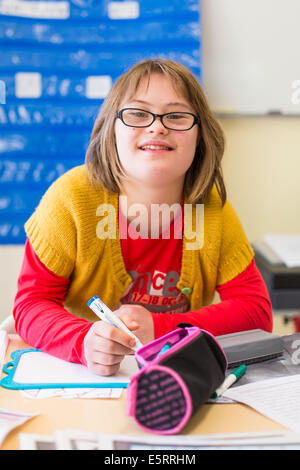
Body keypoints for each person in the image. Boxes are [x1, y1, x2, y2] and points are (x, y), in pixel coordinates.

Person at [13, 59, 272, 376]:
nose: (157, 126)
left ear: (200, 136)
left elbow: (257, 313)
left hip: (173, 379)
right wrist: (82, 341)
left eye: (176, 116)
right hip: (85, 379)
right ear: (112, 130)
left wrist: (163, 327)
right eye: (137, 113)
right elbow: (31, 304)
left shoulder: (211, 208)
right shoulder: (70, 198)